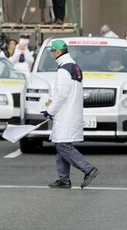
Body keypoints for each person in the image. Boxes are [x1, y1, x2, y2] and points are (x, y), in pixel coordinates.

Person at [42, 40, 99, 189]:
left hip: (65, 112)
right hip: (71, 111)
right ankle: (64, 178)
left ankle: (88, 169)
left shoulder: (63, 70)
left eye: (52, 52)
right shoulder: (74, 66)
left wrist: (50, 111)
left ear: (57, 52)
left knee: (63, 145)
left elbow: (61, 95)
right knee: (61, 143)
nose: (52, 54)